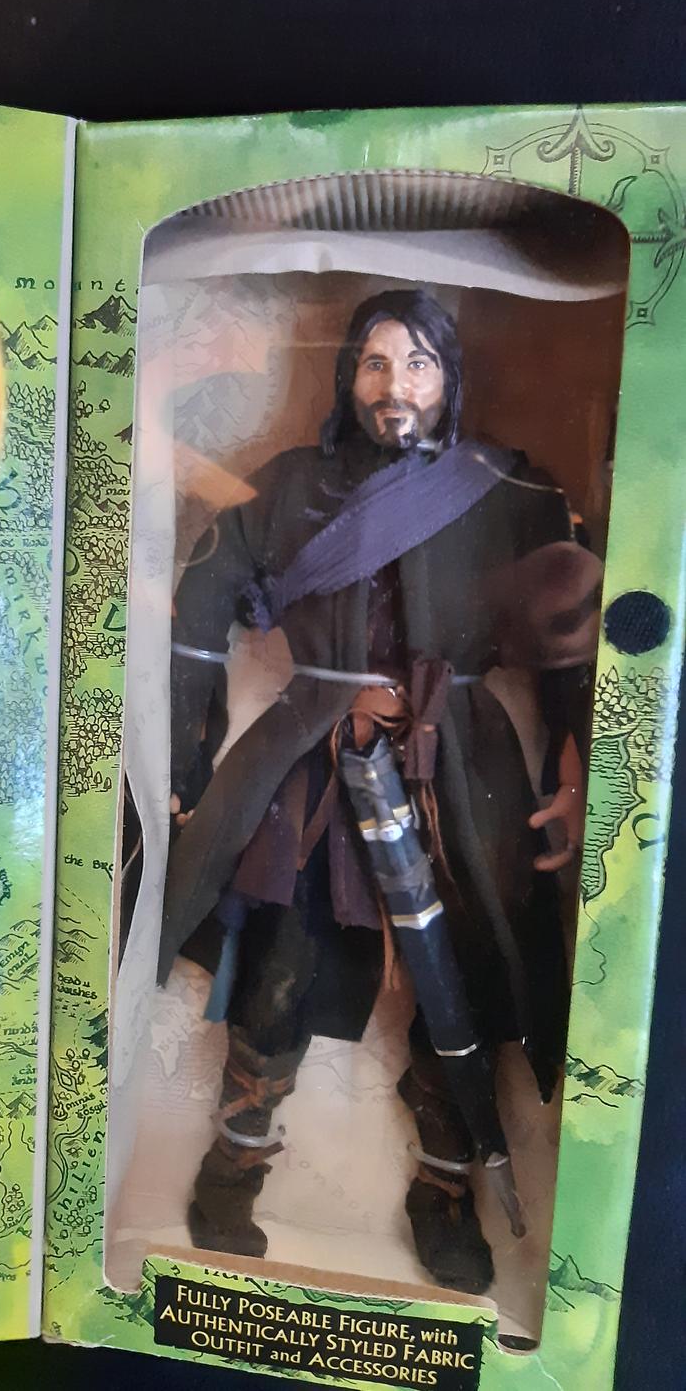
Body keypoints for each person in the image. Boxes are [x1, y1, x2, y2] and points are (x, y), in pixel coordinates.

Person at [161, 289, 599, 1294]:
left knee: (469, 983)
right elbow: (200, 610)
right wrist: (185, 760)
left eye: (417, 363)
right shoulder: (286, 487)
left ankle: (444, 1191)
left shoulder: (510, 490)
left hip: (460, 763)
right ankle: (233, 1168)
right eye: (373, 361)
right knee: (278, 967)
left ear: (449, 377)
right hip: (316, 753)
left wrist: (574, 769)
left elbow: (571, 636)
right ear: (346, 374)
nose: (393, 384)